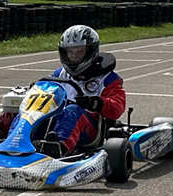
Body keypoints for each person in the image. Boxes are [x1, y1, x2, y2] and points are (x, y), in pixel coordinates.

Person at [47, 25, 126, 153]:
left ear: (90, 51)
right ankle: (11, 142)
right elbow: (47, 92)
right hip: (56, 122)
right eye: (70, 52)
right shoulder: (59, 74)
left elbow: (117, 108)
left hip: (90, 130)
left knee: (73, 110)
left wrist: (95, 103)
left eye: (79, 52)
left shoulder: (107, 79)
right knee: (24, 112)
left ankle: (58, 148)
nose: (73, 57)